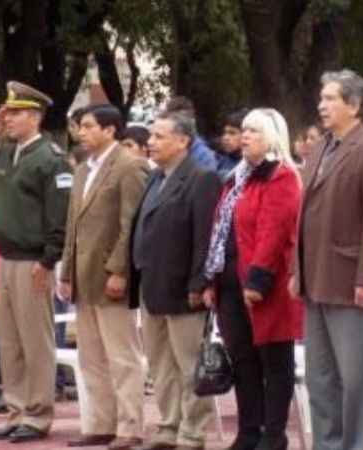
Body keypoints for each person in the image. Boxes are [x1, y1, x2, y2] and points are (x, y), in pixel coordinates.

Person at [0, 81, 72, 443]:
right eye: (6, 112)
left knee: (35, 341)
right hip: (6, 258)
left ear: (35, 117)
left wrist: (49, 257)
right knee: (9, 341)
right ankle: (17, 408)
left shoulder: (50, 159)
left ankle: (38, 414)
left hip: (33, 260)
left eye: (17, 113)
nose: (8, 118)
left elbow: (59, 214)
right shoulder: (3, 154)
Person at [295, 69, 363, 450]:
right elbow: (305, 215)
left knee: (355, 379)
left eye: (330, 98)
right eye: (322, 97)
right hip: (314, 277)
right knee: (320, 377)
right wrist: (295, 271)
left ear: (353, 104)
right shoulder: (319, 147)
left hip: (350, 279)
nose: (321, 104)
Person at [203, 108, 302, 450]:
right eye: (243, 130)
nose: (245, 136)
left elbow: (274, 233)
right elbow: (220, 231)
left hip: (266, 286)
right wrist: (210, 279)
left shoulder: (282, 176)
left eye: (254, 131)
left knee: (274, 361)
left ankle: (274, 435)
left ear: (273, 136)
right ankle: (248, 431)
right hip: (228, 283)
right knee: (242, 361)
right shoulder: (235, 177)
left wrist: (257, 281)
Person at [58, 104, 149, 449]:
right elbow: (73, 227)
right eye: (80, 126)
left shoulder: (130, 166)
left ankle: (130, 426)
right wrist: (66, 272)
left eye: (88, 126)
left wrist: (120, 270)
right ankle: (100, 422)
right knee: (90, 356)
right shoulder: (82, 170)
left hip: (111, 277)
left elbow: (131, 225)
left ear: (110, 130)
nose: (81, 132)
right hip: (82, 278)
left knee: (122, 356)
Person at [130, 112, 222, 450]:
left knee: (188, 363)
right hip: (151, 284)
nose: (151, 142)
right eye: (151, 136)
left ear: (182, 140)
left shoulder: (201, 179)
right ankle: (168, 425)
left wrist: (199, 282)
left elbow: (205, 237)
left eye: (159, 136)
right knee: (160, 364)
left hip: (183, 287)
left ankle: (192, 430)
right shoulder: (155, 178)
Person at [164, 96, 220, 172]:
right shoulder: (164, 150)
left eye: (183, 120)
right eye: (174, 121)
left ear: (192, 121)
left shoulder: (203, 156)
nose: (179, 125)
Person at [217, 109, 247, 177]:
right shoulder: (218, 162)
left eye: (232, 133)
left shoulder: (252, 166)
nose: (225, 137)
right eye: (224, 133)